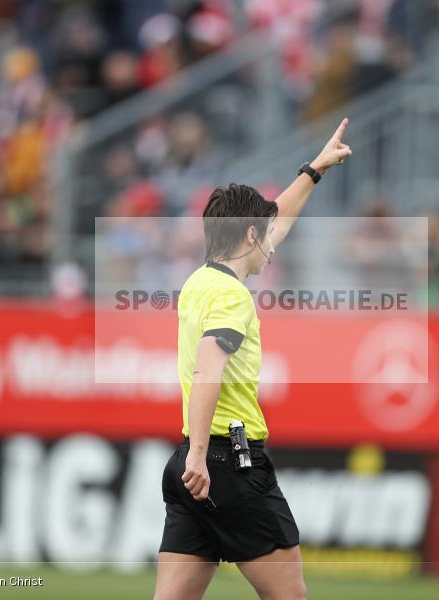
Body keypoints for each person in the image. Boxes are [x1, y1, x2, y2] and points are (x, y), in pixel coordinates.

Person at [154, 118, 352, 600]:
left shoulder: (201, 281)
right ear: (247, 235)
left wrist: (313, 170)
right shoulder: (232, 297)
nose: (271, 240)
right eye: (261, 233)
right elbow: (208, 372)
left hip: (190, 465)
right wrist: (202, 453)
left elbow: (275, 220)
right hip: (230, 464)